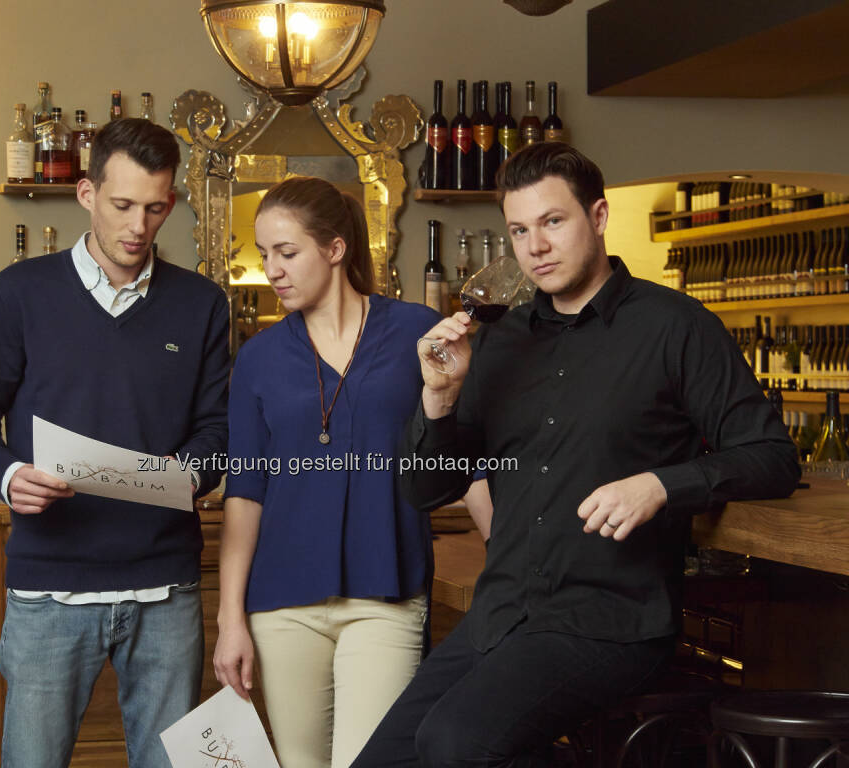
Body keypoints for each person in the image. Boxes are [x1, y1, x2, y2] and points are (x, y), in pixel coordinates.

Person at [351, 142, 801, 767]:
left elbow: (773, 457)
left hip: (609, 621)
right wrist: (438, 399)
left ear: (598, 217)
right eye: (518, 230)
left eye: (552, 222)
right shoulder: (500, 342)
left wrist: (661, 485)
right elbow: (426, 490)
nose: (534, 246)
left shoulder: (676, 326)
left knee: (455, 742)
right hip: (502, 613)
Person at [0, 118, 230, 768]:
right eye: (123, 204)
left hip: (166, 590)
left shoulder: (201, 304)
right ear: (86, 193)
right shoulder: (20, 293)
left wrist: (189, 470)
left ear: (172, 204)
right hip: (49, 589)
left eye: (155, 208)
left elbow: (218, 429)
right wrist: (11, 475)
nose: (138, 225)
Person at [213, 176, 441, 768]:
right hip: (281, 603)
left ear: (335, 249)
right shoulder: (258, 358)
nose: (272, 270)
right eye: (264, 255)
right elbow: (245, 492)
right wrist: (229, 617)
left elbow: (462, 452)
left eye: (287, 253)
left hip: (386, 595)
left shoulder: (417, 332)